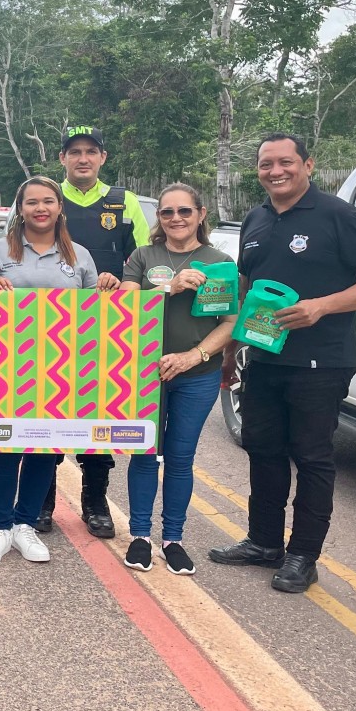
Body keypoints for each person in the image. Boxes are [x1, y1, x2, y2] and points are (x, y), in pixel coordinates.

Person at [209, 134, 356, 592]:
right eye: (266, 163)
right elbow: (246, 289)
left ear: (307, 164)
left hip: (322, 360)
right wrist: (230, 355)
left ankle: (303, 555)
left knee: (311, 457)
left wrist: (321, 307)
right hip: (265, 356)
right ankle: (264, 541)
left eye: (286, 162)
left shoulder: (337, 215)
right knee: (262, 449)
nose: (276, 171)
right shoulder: (256, 219)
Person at [0, 176, 99, 565]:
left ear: (60, 207)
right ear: (20, 209)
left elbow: (97, 312)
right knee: (4, 444)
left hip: (62, 369)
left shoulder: (79, 256)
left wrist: (110, 286)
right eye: (32, 202)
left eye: (48, 201)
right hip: (5, 365)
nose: (40, 208)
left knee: (45, 446)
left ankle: (25, 524)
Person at [119, 183, 237, 576]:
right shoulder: (142, 255)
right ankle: (139, 536)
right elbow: (126, 308)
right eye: (167, 212)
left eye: (184, 211)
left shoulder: (219, 262)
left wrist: (193, 357)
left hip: (196, 374)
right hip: (144, 374)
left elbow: (230, 323)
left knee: (181, 458)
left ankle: (173, 539)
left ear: (201, 214)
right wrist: (170, 286)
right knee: (144, 453)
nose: (175, 219)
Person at [48, 124, 153, 538]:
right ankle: (42, 502)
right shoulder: (47, 198)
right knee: (47, 413)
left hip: (106, 328)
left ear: (103, 158)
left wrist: (124, 282)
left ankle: (95, 503)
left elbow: (143, 258)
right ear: (63, 159)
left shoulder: (122, 201)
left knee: (98, 416)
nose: (82, 158)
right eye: (74, 152)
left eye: (91, 151)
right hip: (48, 326)